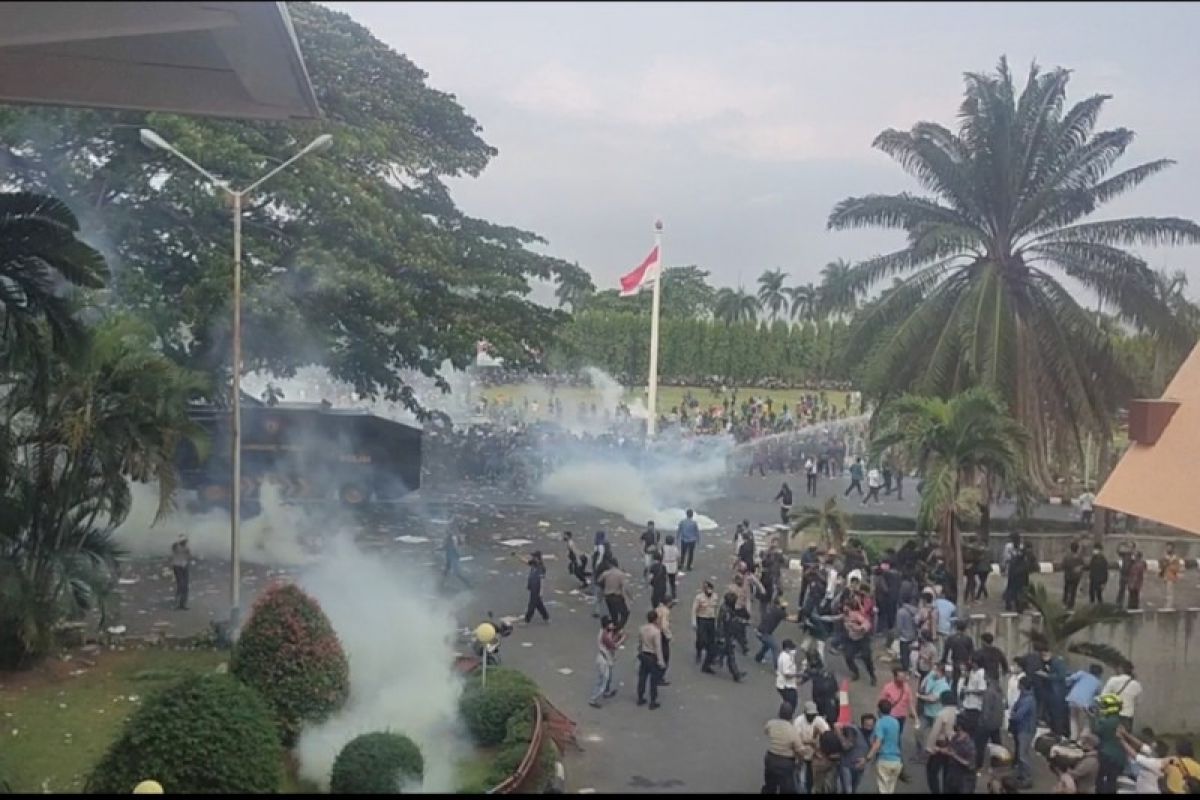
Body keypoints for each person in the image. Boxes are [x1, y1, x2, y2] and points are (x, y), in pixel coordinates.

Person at [862, 697, 904, 794]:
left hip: (884, 760)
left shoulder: (880, 723)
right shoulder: (896, 722)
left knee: (883, 790)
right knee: (890, 789)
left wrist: (868, 757)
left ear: (879, 710)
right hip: (897, 761)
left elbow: (878, 742)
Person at [763, 702, 804, 794]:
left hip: (771, 758)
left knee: (769, 786)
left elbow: (766, 730)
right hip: (785, 762)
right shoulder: (792, 731)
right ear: (791, 715)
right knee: (787, 789)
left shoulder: (771, 723)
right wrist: (800, 762)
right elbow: (799, 750)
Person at [708, 591, 747, 681]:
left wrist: (741, 621)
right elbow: (722, 624)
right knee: (721, 652)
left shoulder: (727, 609)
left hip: (727, 635)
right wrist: (721, 637)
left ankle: (736, 674)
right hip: (725, 635)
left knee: (730, 655)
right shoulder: (726, 611)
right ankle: (711, 663)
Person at [1117, 727, 1169, 795]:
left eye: (1152, 748)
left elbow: (1134, 755)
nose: (1149, 748)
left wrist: (1121, 739)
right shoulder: (1154, 755)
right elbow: (1141, 745)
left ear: (1156, 752)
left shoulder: (1155, 763)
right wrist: (1125, 733)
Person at [925, 689, 959, 794]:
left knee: (932, 771)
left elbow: (935, 732)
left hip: (941, 744)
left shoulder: (942, 714)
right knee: (947, 772)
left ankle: (935, 791)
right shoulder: (958, 712)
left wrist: (929, 747)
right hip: (954, 745)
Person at [794, 700, 831, 793]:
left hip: (815, 754)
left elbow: (827, 735)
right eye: (809, 715)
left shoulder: (820, 721)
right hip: (802, 752)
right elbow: (795, 739)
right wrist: (810, 742)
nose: (812, 717)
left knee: (814, 777)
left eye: (813, 715)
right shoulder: (798, 721)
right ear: (805, 713)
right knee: (801, 777)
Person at [1095, 692, 1128, 794]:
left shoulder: (1105, 722)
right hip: (1120, 757)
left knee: (1100, 780)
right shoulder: (1122, 721)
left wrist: (1095, 718)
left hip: (1107, 755)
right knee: (1112, 782)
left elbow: (1096, 731)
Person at [587, 616, 624, 708]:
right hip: (604, 660)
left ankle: (606, 692)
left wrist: (616, 634)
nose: (612, 625)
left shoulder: (606, 632)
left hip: (607, 658)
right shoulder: (604, 635)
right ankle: (593, 699)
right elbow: (613, 645)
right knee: (603, 680)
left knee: (609, 677)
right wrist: (622, 638)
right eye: (610, 624)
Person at [1008, 676, 1037, 790]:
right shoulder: (1025, 696)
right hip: (1022, 728)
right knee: (1022, 753)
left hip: (1026, 729)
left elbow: (1019, 715)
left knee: (1022, 754)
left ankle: (1027, 778)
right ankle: (1021, 775)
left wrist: (1012, 715)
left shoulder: (1028, 700)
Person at [842, 595, 876, 685]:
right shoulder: (844, 616)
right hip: (852, 640)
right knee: (848, 657)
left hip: (862, 639)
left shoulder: (856, 615)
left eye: (846, 607)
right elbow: (833, 618)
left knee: (866, 658)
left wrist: (860, 628)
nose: (844, 608)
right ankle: (855, 673)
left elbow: (867, 623)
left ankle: (872, 676)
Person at [941, 714, 979, 795]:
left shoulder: (969, 745)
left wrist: (954, 755)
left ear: (960, 727)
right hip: (952, 776)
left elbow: (970, 764)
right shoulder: (956, 737)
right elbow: (950, 749)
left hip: (964, 780)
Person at [636, 610, 666, 709]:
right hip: (652, 656)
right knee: (653, 680)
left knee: (642, 677)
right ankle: (652, 701)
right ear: (655, 619)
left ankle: (640, 697)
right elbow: (658, 648)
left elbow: (639, 643)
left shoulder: (642, 628)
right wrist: (661, 662)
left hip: (643, 655)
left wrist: (639, 652)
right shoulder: (656, 632)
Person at [1066, 663, 1104, 741]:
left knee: (1073, 718)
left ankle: (1073, 737)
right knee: (1086, 722)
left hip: (1072, 698)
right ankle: (1082, 740)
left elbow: (1069, 679)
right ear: (1100, 673)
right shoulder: (1098, 683)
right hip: (1085, 703)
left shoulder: (1082, 674)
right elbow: (1098, 696)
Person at [1101, 661, 1143, 732]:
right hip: (1127, 716)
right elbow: (1138, 702)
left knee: (1111, 736)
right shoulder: (1137, 684)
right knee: (1124, 739)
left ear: (1121, 669)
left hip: (1113, 714)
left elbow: (1103, 696)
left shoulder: (1113, 680)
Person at [839, 714, 874, 794]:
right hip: (846, 766)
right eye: (867, 725)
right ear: (862, 724)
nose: (869, 728)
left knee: (853, 789)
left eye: (871, 725)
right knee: (848, 790)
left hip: (859, 768)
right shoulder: (854, 731)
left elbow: (874, 749)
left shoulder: (873, 736)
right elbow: (847, 728)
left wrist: (866, 760)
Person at [755, 596, 787, 670]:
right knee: (775, 647)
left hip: (760, 631)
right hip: (764, 633)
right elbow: (792, 619)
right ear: (778, 604)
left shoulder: (772, 609)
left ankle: (758, 658)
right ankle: (777, 668)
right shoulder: (779, 612)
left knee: (768, 644)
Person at [692, 580, 719, 666]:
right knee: (701, 639)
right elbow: (694, 610)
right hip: (702, 619)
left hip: (711, 619)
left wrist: (717, 620)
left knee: (711, 640)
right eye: (706, 588)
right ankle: (699, 653)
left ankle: (710, 656)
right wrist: (694, 622)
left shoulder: (715, 596)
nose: (708, 590)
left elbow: (716, 609)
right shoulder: (699, 597)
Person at [599, 560, 631, 630]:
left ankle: (614, 626)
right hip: (617, 596)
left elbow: (599, 581)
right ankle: (618, 628)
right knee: (625, 613)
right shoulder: (621, 574)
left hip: (607, 596)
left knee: (613, 614)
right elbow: (625, 586)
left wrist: (604, 588)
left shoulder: (606, 573)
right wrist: (629, 596)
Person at [523, 551, 550, 624]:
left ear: (537, 558)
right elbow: (526, 562)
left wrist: (541, 591)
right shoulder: (534, 563)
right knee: (538, 604)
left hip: (537, 588)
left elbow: (542, 580)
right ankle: (546, 617)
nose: (532, 558)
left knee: (532, 605)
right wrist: (517, 556)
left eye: (534, 557)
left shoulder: (541, 568)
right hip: (532, 587)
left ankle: (527, 620)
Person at [895, 593, 919, 673]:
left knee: (904, 655)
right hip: (913, 636)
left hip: (904, 637)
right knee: (912, 654)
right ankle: (912, 668)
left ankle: (906, 670)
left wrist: (897, 635)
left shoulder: (901, 612)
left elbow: (899, 626)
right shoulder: (915, 610)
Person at [775, 639, 800, 710]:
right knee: (792, 703)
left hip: (787, 684)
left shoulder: (787, 655)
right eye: (791, 648)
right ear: (786, 648)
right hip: (785, 686)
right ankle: (786, 714)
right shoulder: (785, 658)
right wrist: (798, 674)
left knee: (789, 702)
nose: (793, 650)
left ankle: (785, 713)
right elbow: (787, 674)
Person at [1061, 541, 1085, 610]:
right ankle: (1071, 604)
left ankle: (1065, 602)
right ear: (1077, 549)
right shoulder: (1080, 557)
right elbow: (1082, 566)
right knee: (1073, 591)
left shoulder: (1067, 557)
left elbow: (1063, 566)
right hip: (1076, 577)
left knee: (1066, 589)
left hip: (1068, 576)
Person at [170, 535, 191, 610]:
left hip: (184, 566)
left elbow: (188, 557)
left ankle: (182, 604)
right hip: (177, 566)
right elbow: (173, 547)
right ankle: (177, 604)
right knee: (181, 585)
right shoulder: (176, 547)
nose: (185, 542)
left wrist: (186, 564)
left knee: (185, 586)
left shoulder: (186, 548)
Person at [655, 599, 673, 685]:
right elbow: (664, 626)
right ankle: (659, 677)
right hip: (662, 635)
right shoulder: (666, 611)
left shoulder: (658, 609)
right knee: (665, 656)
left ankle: (655, 674)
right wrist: (669, 636)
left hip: (655, 632)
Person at [1161, 543, 1183, 609]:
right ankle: (1166, 605)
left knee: (1169, 593)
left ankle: (1169, 607)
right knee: (1165, 593)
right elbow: (1161, 565)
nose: (1168, 549)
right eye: (1167, 547)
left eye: (1170, 548)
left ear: (1173, 549)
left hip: (1171, 577)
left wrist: (1170, 564)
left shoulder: (1175, 558)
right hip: (1165, 576)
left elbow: (1177, 568)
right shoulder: (1164, 557)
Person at [1115, 539, 1135, 608]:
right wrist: (1121, 543)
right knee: (1121, 590)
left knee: (1131, 591)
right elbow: (1118, 551)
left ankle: (1131, 605)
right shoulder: (1125, 554)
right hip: (1123, 574)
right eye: (1128, 546)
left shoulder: (1134, 556)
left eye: (1131, 547)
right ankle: (1118, 604)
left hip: (1130, 575)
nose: (1129, 548)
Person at [661, 534, 680, 601]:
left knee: (664, 582)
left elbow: (661, 555)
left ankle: (663, 596)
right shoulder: (675, 548)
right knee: (672, 583)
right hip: (673, 566)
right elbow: (678, 557)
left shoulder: (663, 547)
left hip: (665, 566)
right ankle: (674, 597)